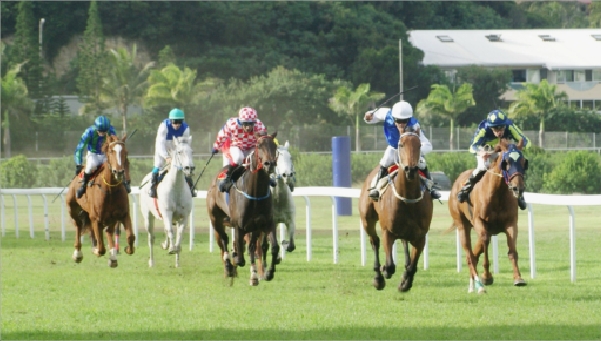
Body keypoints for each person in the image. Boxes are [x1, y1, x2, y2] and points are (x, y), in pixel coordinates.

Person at [363, 100, 441, 201]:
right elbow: (371, 117)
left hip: (410, 152)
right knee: (385, 161)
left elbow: (428, 146)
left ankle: (431, 188)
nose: (402, 123)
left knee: (422, 163)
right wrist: (367, 117)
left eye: (405, 121)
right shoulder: (386, 113)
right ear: (394, 117)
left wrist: (416, 150)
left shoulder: (415, 126)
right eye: (399, 120)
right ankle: (376, 188)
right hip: (393, 149)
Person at [457, 109, 530, 210]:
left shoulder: (510, 126)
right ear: (490, 127)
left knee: (513, 167)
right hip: (486, 151)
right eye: (496, 128)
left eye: (502, 128)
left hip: (502, 150)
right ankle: (466, 188)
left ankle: (520, 195)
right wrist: (481, 152)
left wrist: (515, 147)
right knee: (482, 167)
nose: (500, 131)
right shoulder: (483, 129)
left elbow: (525, 141)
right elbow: (472, 147)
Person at [211, 106, 273, 193]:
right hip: (236, 146)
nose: (248, 128)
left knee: (257, 159)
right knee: (238, 158)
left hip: (252, 146)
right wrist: (216, 147)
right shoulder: (232, 124)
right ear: (241, 122)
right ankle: (227, 177)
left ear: (254, 123)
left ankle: (267, 177)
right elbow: (222, 136)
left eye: (250, 124)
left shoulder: (259, 126)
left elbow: (264, 141)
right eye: (245, 124)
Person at [149, 108, 195, 198]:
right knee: (159, 164)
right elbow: (159, 144)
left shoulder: (186, 128)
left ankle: (191, 187)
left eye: (179, 121)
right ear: (170, 120)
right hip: (163, 145)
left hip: (176, 146)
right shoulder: (163, 126)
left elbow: (184, 145)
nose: (177, 124)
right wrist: (166, 157)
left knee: (185, 165)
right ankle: (153, 188)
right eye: (174, 121)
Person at [74, 116, 124, 198]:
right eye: (100, 131)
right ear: (96, 128)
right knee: (91, 166)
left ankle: (124, 183)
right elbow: (80, 148)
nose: (103, 134)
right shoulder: (89, 132)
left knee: (117, 165)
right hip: (93, 153)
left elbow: (115, 144)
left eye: (105, 131)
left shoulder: (111, 131)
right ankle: (83, 186)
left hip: (106, 154)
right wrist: (78, 164)